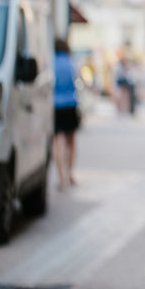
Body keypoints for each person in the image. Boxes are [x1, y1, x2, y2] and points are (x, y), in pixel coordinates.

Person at [53, 39, 80, 190]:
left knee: (58, 141)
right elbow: (78, 81)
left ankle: (61, 178)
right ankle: (70, 173)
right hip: (71, 104)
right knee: (71, 141)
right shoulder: (71, 62)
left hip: (55, 105)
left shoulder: (51, 62)